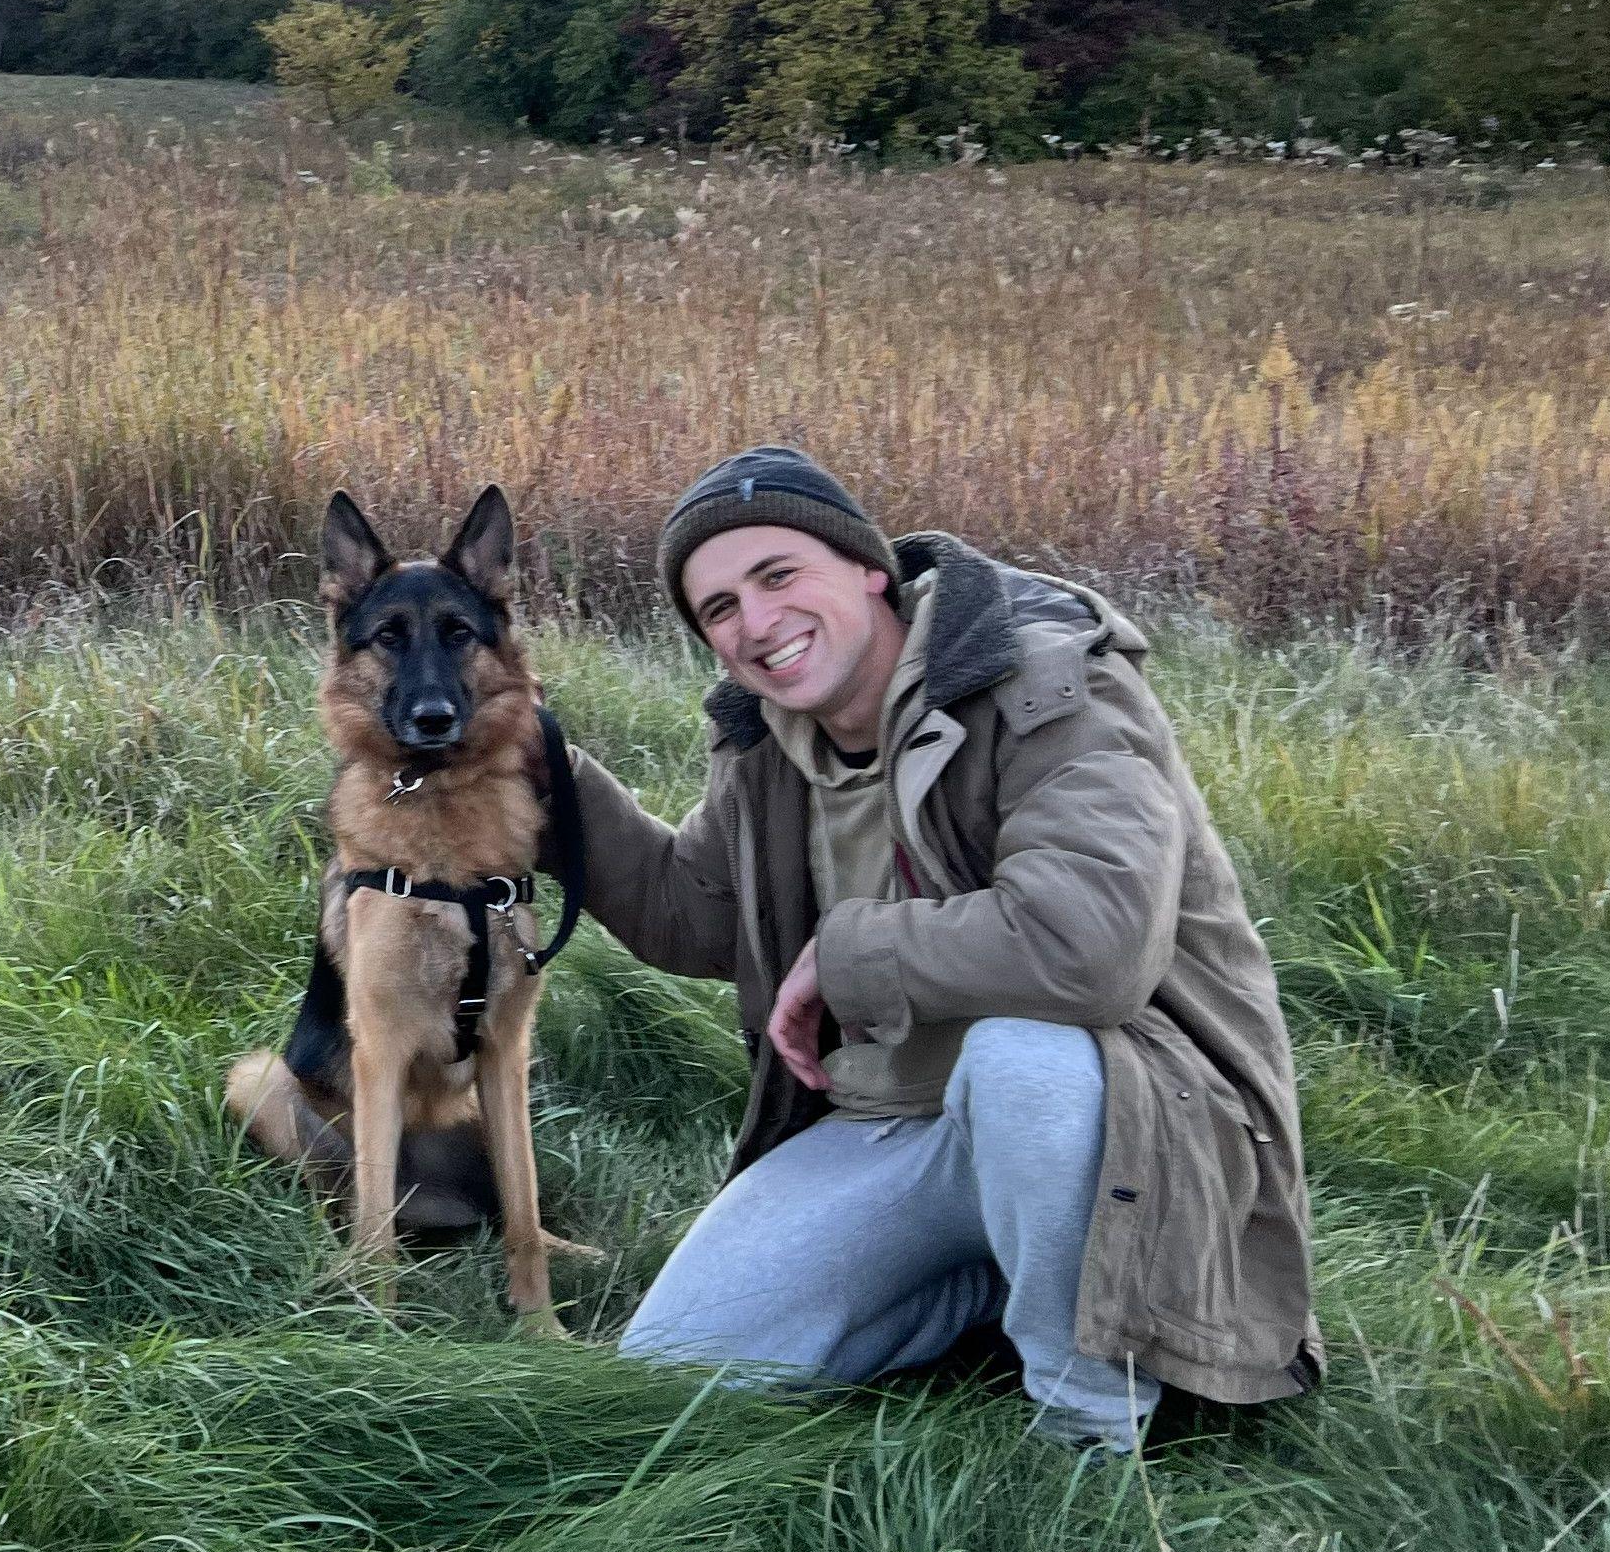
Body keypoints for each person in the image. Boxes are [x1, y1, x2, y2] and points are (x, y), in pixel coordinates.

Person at [564, 446, 1318, 1452]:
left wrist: (845, 954)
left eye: (779, 575)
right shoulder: (768, 742)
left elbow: (1090, 947)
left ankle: (1088, 1432)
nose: (758, 622)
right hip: (893, 1120)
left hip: (1135, 1120)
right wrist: (546, 779)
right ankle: (992, 1282)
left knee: (1020, 1059)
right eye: (721, 608)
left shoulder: (1047, 681)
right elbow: (694, 916)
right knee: (676, 1374)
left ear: (868, 568)